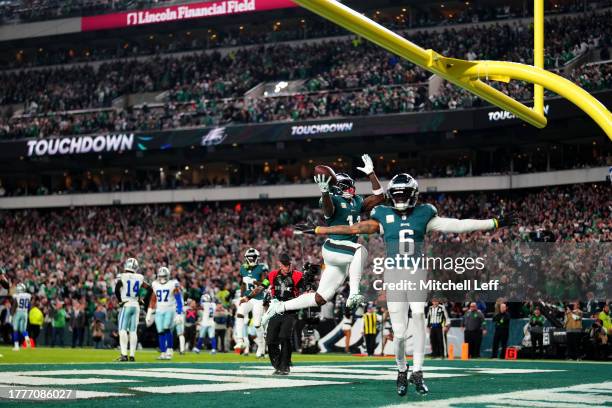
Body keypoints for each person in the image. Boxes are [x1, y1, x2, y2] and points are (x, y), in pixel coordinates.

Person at [292, 173, 515, 397]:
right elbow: (352, 229)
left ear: (413, 194)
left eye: (403, 194)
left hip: (416, 272)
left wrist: (494, 222)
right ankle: (401, 370)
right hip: (394, 275)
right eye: (397, 194)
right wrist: (321, 230)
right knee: (398, 334)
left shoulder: (424, 214)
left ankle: (418, 372)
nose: (400, 198)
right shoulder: (382, 214)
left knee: (418, 315)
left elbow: (457, 225)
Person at [263, 154, 385, 326]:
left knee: (321, 298)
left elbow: (380, 197)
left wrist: (371, 174)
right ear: (339, 188)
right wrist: (324, 191)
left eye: (352, 186)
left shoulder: (357, 201)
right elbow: (328, 211)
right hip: (334, 247)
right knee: (360, 249)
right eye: (348, 186)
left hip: (343, 255)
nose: (352, 189)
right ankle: (354, 293)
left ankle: (279, 306)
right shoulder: (331, 198)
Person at [265, 253, 304, 375]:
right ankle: (278, 364)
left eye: (288, 265)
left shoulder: (297, 275)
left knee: (284, 337)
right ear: (280, 264)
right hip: (276, 310)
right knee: (270, 339)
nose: (287, 267)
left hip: (290, 310)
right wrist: (254, 296)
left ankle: (285, 365)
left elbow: (305, 287)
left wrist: (308, 284)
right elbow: (264, 285)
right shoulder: (272, 275)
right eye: (285, 265)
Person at [234, 248, 268, 357]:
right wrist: (241, 296)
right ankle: (240, 341)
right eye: (251, 257)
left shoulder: (262, 267)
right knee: (239, 313)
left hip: (258, 299)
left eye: (253, 257)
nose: (252, 259)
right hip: (247, 298)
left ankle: (261, 346)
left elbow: (265, 284)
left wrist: (254, 282)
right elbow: (243, 284)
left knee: (257, 324)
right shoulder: (243, 268)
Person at [115, 258, 150, 361]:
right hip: (136, 306)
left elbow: (117, 289)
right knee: (133, 331)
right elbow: (149, 289)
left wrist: (120, 300)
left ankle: (124, 354)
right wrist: (141, 298)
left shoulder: (123, 276)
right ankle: (132, 355)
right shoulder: (139, 277)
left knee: (122, 330)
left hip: (126, 304)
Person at [146, 266, 183, 360]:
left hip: (170, 309)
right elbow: (153, 299)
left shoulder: (172, 284)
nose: (162, 278)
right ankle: (163, 352)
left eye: (164, 276)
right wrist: (149, 312)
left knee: (167, 328)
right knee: (160, 331)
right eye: (161, 276)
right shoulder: (155, 284)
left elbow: (178, 299)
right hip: (159, 310)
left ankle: (169, 350)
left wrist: (179, 313)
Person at [11, 283, 32, 350]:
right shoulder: (28, 295)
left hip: (18, 312)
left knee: (15, 329)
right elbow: (29, 306)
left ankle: (16, 346)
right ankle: (28, 343)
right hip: (25, 313)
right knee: (23, 330)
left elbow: (14, 306)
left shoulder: (16, 296)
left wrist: (11, 315)